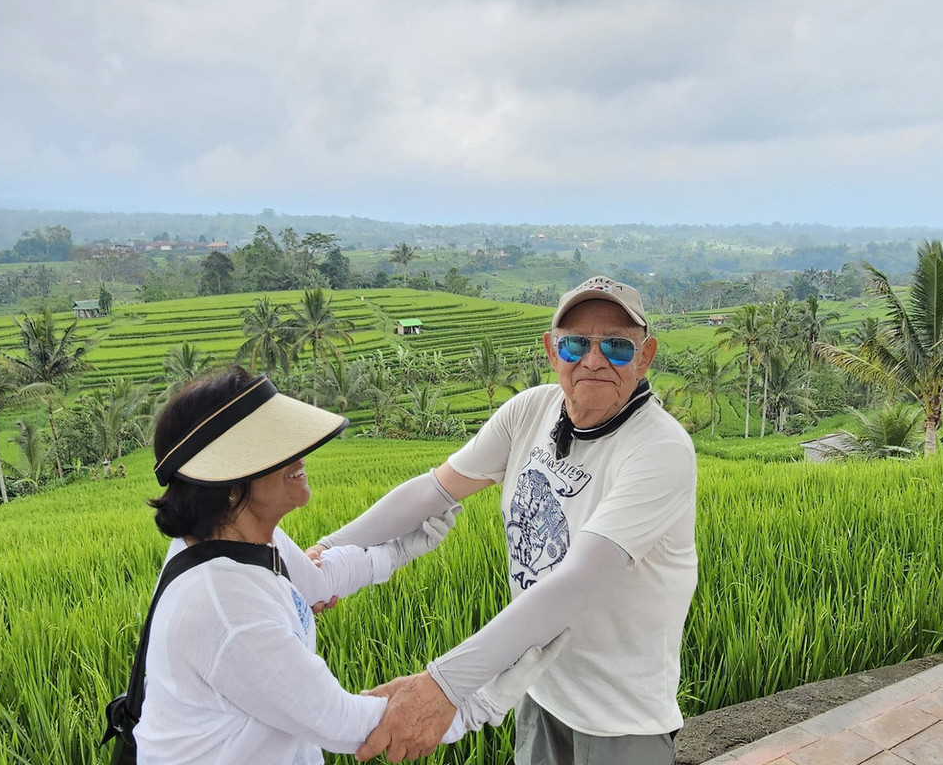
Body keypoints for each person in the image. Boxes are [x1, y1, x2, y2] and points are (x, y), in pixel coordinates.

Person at [312, 276, 698, 765]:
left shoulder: (659, 449)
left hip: (620, 717)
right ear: (551, 350)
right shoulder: (530, 411)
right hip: (538, 690)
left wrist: (443, 686)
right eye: (576, 343)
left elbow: (577, 580)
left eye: (618, 348)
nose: (594, 360)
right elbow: (434, 490)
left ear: (645, 357)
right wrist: (325, 556)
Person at [132, 366, 567, 765]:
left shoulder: (238, 537)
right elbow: (347, 723)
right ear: (228, 485)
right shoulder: (228, 611)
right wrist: (481, 700)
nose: (299, 457)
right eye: (277, 450)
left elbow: (317, 581)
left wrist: (398, 550)